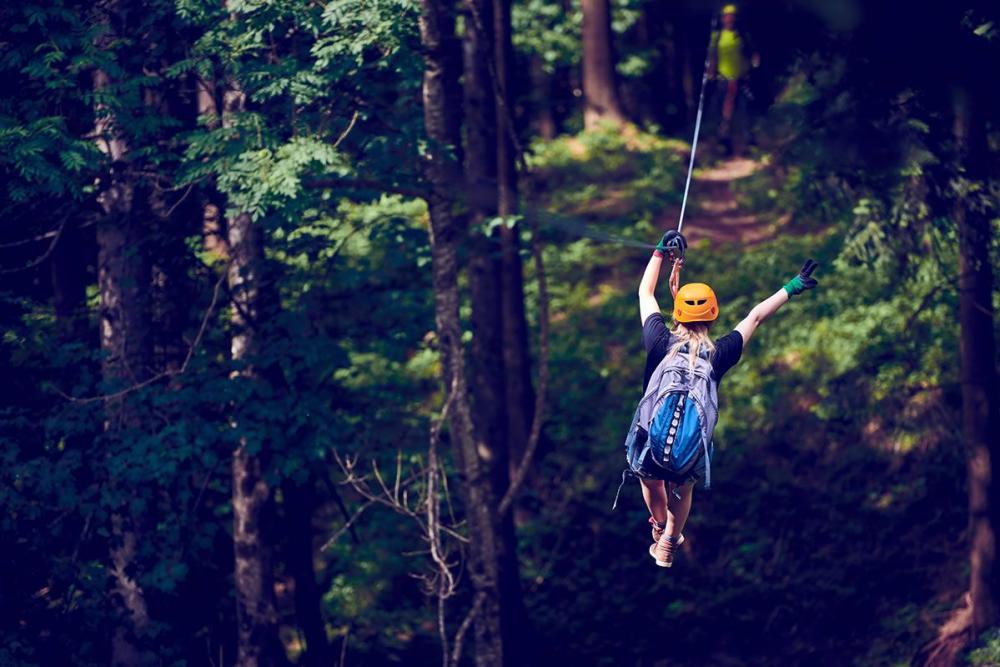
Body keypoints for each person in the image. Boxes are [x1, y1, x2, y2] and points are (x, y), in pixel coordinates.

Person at [635, 231, 818, 567]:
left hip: (653, 439)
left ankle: (659, 525)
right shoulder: (719, 353)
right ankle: (670, 540)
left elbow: (645, 292)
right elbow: (755, 317)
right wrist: (791, 287)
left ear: (676, 314)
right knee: (682, 489)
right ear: (713, 315)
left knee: (649, 479)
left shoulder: (658, 340)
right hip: (690, 447)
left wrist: (661, 252)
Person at [707, 4, 760, 154]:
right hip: (723, 79)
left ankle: (749, 144)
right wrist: (711, 72)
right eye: (727, 16)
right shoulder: (716, 37)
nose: (730, 19)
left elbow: (753, 53)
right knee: (725, 113)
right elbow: (712, 57)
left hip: (743, 79)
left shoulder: (743, 35)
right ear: (723, 18)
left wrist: (754, 65)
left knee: (746, 111)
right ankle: (724, 144)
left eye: (733, 16)